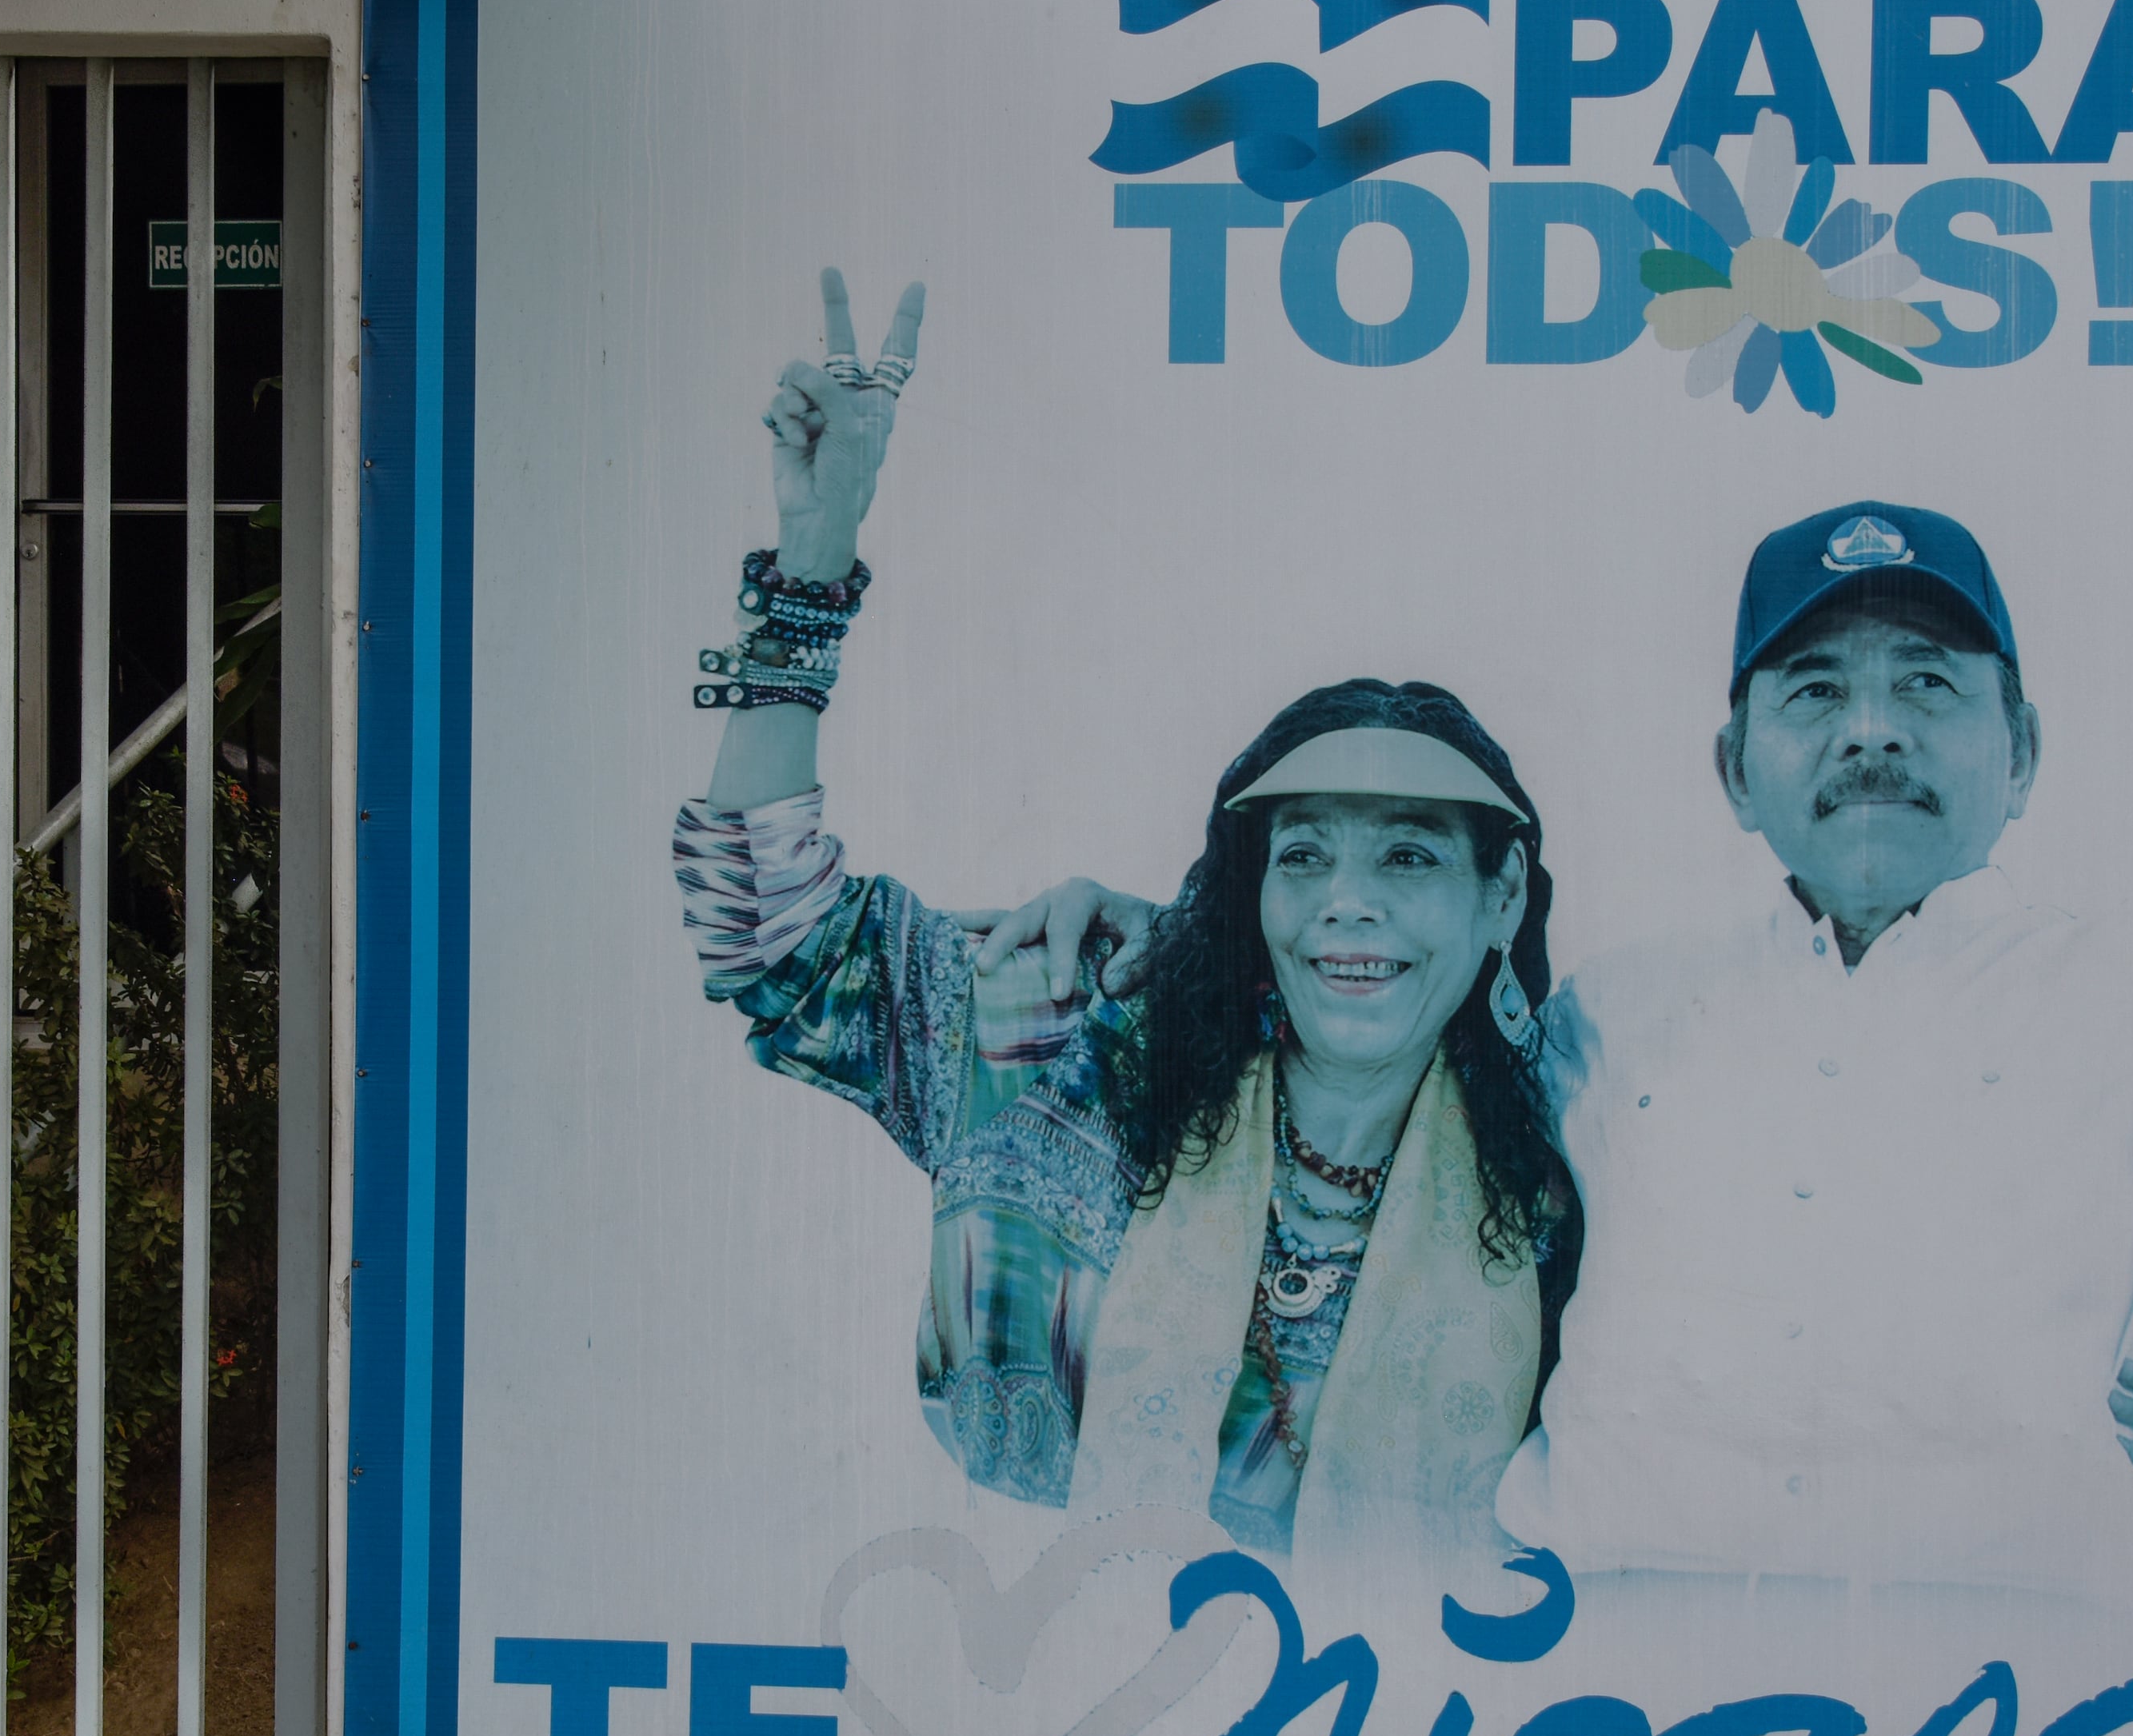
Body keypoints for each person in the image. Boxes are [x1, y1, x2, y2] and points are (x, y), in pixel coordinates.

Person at [983, 257, 2133, 1589]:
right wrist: (1140, 934)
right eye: (1814, 688)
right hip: (1589, 1718)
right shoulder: (1613, 1019)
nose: (1871, 730)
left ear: (2022, 752)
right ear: (1731, 766)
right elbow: (1356, 1020)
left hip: (2001, 1734)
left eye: (1929, 681)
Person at [673, 272, 1582, 1567]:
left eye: (1410, 853)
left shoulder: (1579, 1159)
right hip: (1018, 1693)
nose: (1348, 901)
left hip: (1390, 1735)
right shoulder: (1067, 1037)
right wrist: (807, 578)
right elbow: (765, 936)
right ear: (1248, 883)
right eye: (1303, 849)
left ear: (1501, 894)